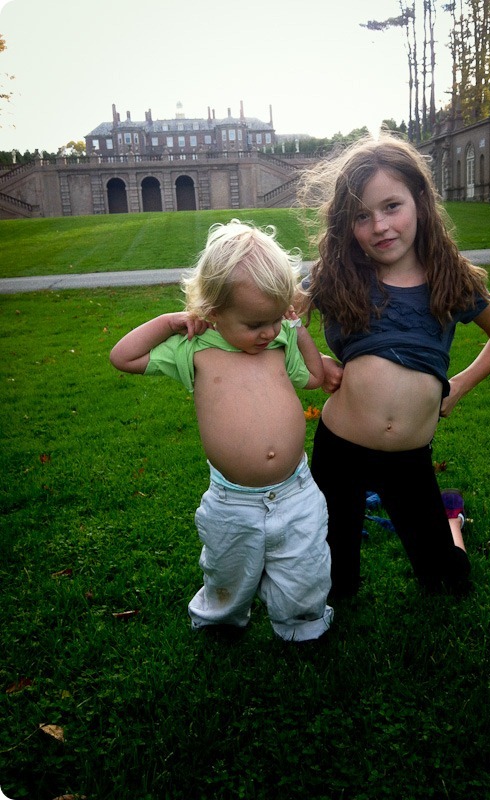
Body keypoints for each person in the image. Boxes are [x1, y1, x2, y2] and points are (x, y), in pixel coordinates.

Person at [296, 135, 490, 598]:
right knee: (333, 586)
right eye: (362, 216)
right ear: (346, 223)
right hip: (340, 449)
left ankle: (450, 522)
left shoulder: (450, 277)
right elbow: (277, 322)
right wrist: (315, 361)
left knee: (447, 582)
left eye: (391, 207)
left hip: (409, 457)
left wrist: (457, 386)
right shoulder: (336, 274)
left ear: (420, 199)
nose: (380, 226)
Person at [110, 220, 333, 641]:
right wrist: (169, 322)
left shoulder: (280, 341)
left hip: (295, 491)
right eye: (254, 324)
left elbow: (315, 377)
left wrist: (298, 332)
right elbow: (123, 357)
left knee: (305, 568)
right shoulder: (195, 349)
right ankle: (221, 620)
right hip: (233, 501)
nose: (268, 331)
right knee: (227, 570)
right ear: (213, 312)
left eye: (275, 318)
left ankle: (302, 624)